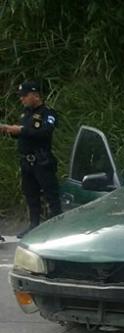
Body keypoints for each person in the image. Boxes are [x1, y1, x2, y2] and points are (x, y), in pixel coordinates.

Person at [0, 80, 62, 237]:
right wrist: (9, 130)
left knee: (51, 194)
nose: (22, 99)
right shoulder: (25, 114)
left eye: (25, 96)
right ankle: (34, 225)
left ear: (35, 95)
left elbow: (44, 132)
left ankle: (58, 226)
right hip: (26, 161)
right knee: (31, 194)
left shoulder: (48, 113)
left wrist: (21, 130)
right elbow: (24, 135)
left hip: (42, 160)